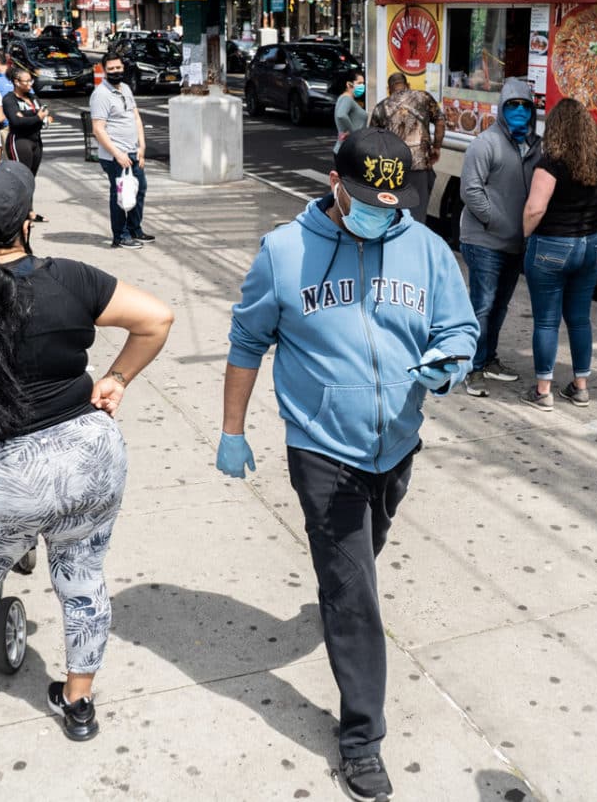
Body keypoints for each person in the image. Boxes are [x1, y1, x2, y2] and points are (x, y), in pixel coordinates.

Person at [218, 128, 478, 802]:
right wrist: (231, 431)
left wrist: (451, 363)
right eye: (366, 203)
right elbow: (247, 340)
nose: (379, 217)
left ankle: (340, 594)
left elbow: (459, 328)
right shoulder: (284, 252)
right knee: (354, 590)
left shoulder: (426, 249)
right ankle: (362, 737)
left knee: (365, 554)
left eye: (391, 206)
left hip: (397, 443)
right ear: (335, 182)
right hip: (322, 449)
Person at [0, 162, 174, 764]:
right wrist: (117, 378)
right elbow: (157, 318)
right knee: (83, 582)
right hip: (87, 460)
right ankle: (78, 703)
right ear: (27, 223)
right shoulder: (70, 278)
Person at [519, 98, 597, 409]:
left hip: (553, 245)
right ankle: (580, 387)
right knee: (579, 318)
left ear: (556, 128)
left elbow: (535, 209)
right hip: (594, 243)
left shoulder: (551, 163)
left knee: (546, 321)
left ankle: (543, 391)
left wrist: (525, 236)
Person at [458, 78, 540, 397]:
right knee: (482, 305)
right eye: (512, 105)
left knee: (500, 306)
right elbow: (471, 191)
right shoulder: (485, 143)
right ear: (502, 108)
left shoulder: (535, 146)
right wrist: (496, 221)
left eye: (525, 105)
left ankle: (488, 358)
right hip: (484, 241)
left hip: (515, 243)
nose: (519, 110)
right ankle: (472, 367)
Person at [89, 52, 151, 250]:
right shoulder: (101, 95)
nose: (116, 72)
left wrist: (142, 146)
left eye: (118, 68)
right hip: (115, 155)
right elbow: (98, 129)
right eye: (111, 69)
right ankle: (120, 236)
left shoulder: (125, 88)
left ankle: (134, 229)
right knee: (121, 195)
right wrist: (117, 154)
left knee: (139, 189)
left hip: (133, 151)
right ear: (104, 70)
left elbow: (136, 117)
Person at [369, 73, 446, 225]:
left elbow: (373, 139)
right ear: (408, 85)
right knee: (417, 215)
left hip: (393, 168)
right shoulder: (424, 97)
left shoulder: (381, 107)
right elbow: (440, 121)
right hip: (420, 166)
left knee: (394, 213)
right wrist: (436, 147)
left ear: (389, 89)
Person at [2, 66, 50, 175]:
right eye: (26, 81)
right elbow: (17, 121)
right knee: (22, 176)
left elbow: (41, 113)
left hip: (36, 140)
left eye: (31, 81)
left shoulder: (33, 97)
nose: (30, 84)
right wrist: (37, 117)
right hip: (20, 140)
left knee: (31, 177)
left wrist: (41, 118)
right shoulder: (9, 99)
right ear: (16, 82)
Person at [333, 70, 367, 154]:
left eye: (363, 83)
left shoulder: (344, 98)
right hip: (348, 149)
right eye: (359, 83)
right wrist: (352, 132)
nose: (362, 86)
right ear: (349, 84)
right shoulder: (347, 99)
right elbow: (341, 115)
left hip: (347, 148)